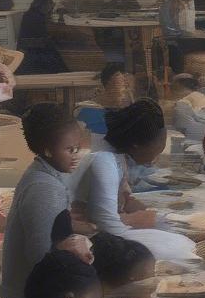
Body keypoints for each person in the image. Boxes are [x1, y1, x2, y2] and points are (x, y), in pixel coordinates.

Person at [76, 99, 196, 260]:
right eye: (157, 149)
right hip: (87, 237)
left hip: (104, 227)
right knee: (177, 247)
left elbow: (122, 201)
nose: (156, 157)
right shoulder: (104, 162)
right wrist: (135, 220)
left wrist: (135, 210)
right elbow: (110, 230)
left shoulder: (116, 156)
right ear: (136, 145)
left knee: (173, 234)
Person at [0, 104, 89, 298]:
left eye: (78, 148)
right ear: (47, 150)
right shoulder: (44, 187)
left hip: (32, 289)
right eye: (70, 150)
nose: (77, 155)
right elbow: (39, 257)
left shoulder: (44, 172)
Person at [16, 0, 68, 75]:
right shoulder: (36, 17)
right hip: (34, 51)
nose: (50, 6)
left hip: (32, 49)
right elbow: (43, 37)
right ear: (43, 4)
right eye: (49, 3)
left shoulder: (30, 13)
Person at [160, 0, 196, 73]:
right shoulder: (175, 4)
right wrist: (188, 34)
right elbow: (173, 28)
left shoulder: (172, 2)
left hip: (174, 40)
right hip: (173, 42)